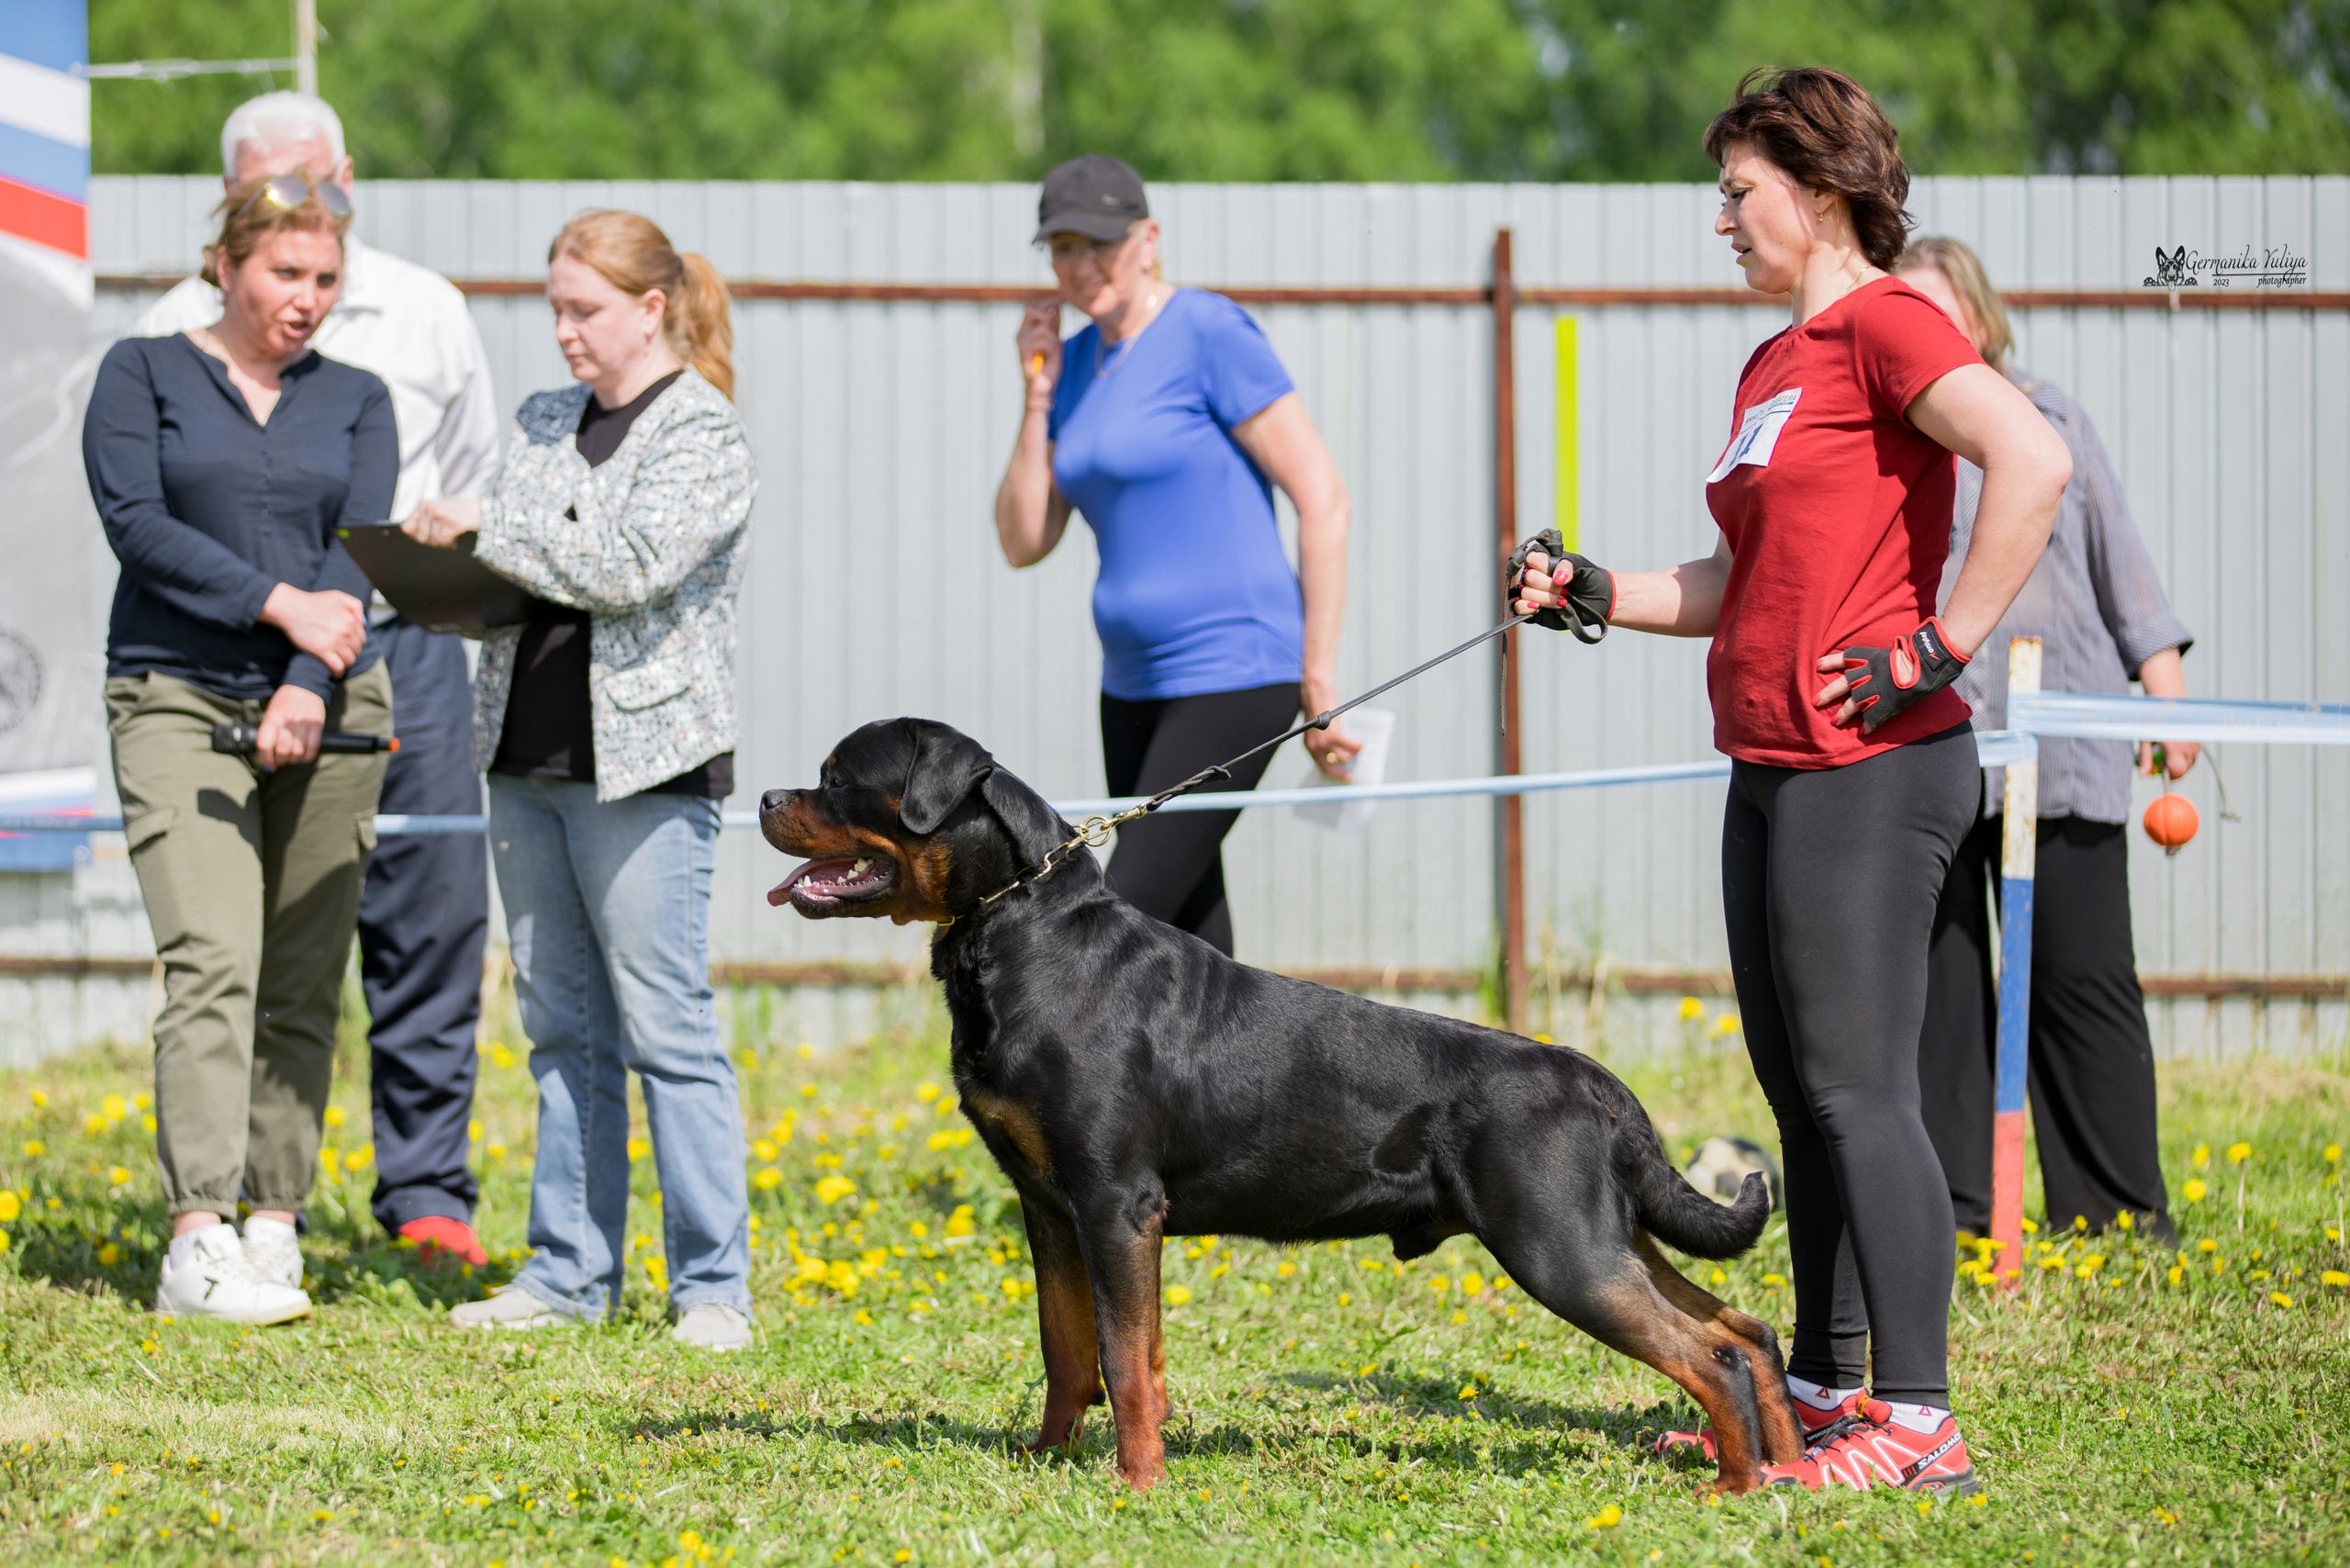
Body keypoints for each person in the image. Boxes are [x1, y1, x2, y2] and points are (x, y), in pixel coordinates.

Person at [1513, 69, 2072, 1493]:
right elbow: (1738, 578)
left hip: (1874, 768)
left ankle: (1921, 1426)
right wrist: (1593, 589)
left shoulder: (1890, 319)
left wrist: (1939, 647)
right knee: (1799, 1092)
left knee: (1859, 1095)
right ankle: (1823, 1391)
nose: (1723, 222)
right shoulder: (1778, 361)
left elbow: (2034, 459)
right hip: (1769, 764)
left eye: (1738, 192)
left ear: (1821, 197)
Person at [133, 91, 504, 1269]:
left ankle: (427, 1189)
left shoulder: (427, 311)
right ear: (227, 206)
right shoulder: (167, 332)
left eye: (310, 182)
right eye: (263, 187)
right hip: (228, 657)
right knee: (247, 940)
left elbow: (479, 471)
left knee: (430, 920)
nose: (296, 209)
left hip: (404, 643)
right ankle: (229, 1203)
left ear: (348, 170)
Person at [404, 210, 757, 1350]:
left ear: (650, 310)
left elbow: (629, 565)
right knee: (560, 1028)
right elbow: (533, 565)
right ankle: (567, 1273)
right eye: (554, 308)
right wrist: (438, 570)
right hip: (522, 760)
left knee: (668, 1029)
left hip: (645, 774)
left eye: (584, 310)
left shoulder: (707, 435)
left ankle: (712, 1287)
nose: (562, 331)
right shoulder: (545, 420)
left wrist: (488, 525)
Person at [84, 174, 397, 1324]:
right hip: (174, 693)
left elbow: (357, 548)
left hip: (334, 706)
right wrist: (283, 607)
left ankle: (272, 1224)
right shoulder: (144, 372)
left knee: (305, 978)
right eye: (284, 275)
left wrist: (312, 676)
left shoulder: (358, 396)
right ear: (225, 265)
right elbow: (139, 526)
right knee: (214, 957)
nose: (305, 299)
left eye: (324, 280)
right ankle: (195, 1238)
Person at [1896, 237, 2198, 1244]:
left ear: (1979, 319)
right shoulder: (1887, 433)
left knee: (2082, 977)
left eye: (1941, 313)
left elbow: (2121, 562)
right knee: (1939, 988)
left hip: (2063, 743)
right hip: (1932, 746)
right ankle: (1959, 1212)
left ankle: (2113, 1216)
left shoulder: (2051, 412)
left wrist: (2161, 686)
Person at [992, 153, 1357, 957]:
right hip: (1131, 687)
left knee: (1103, 933)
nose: (1082, 264)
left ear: (1147, 238)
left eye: (1101, 242)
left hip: (1237, 674)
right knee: (1186, 941)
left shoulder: (1207, 331)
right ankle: (1236, 1087)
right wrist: (1038, 392)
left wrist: (1318, 680)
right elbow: (1023, 540)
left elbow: (1324, 499)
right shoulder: (1075, 366)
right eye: (1063, 248)